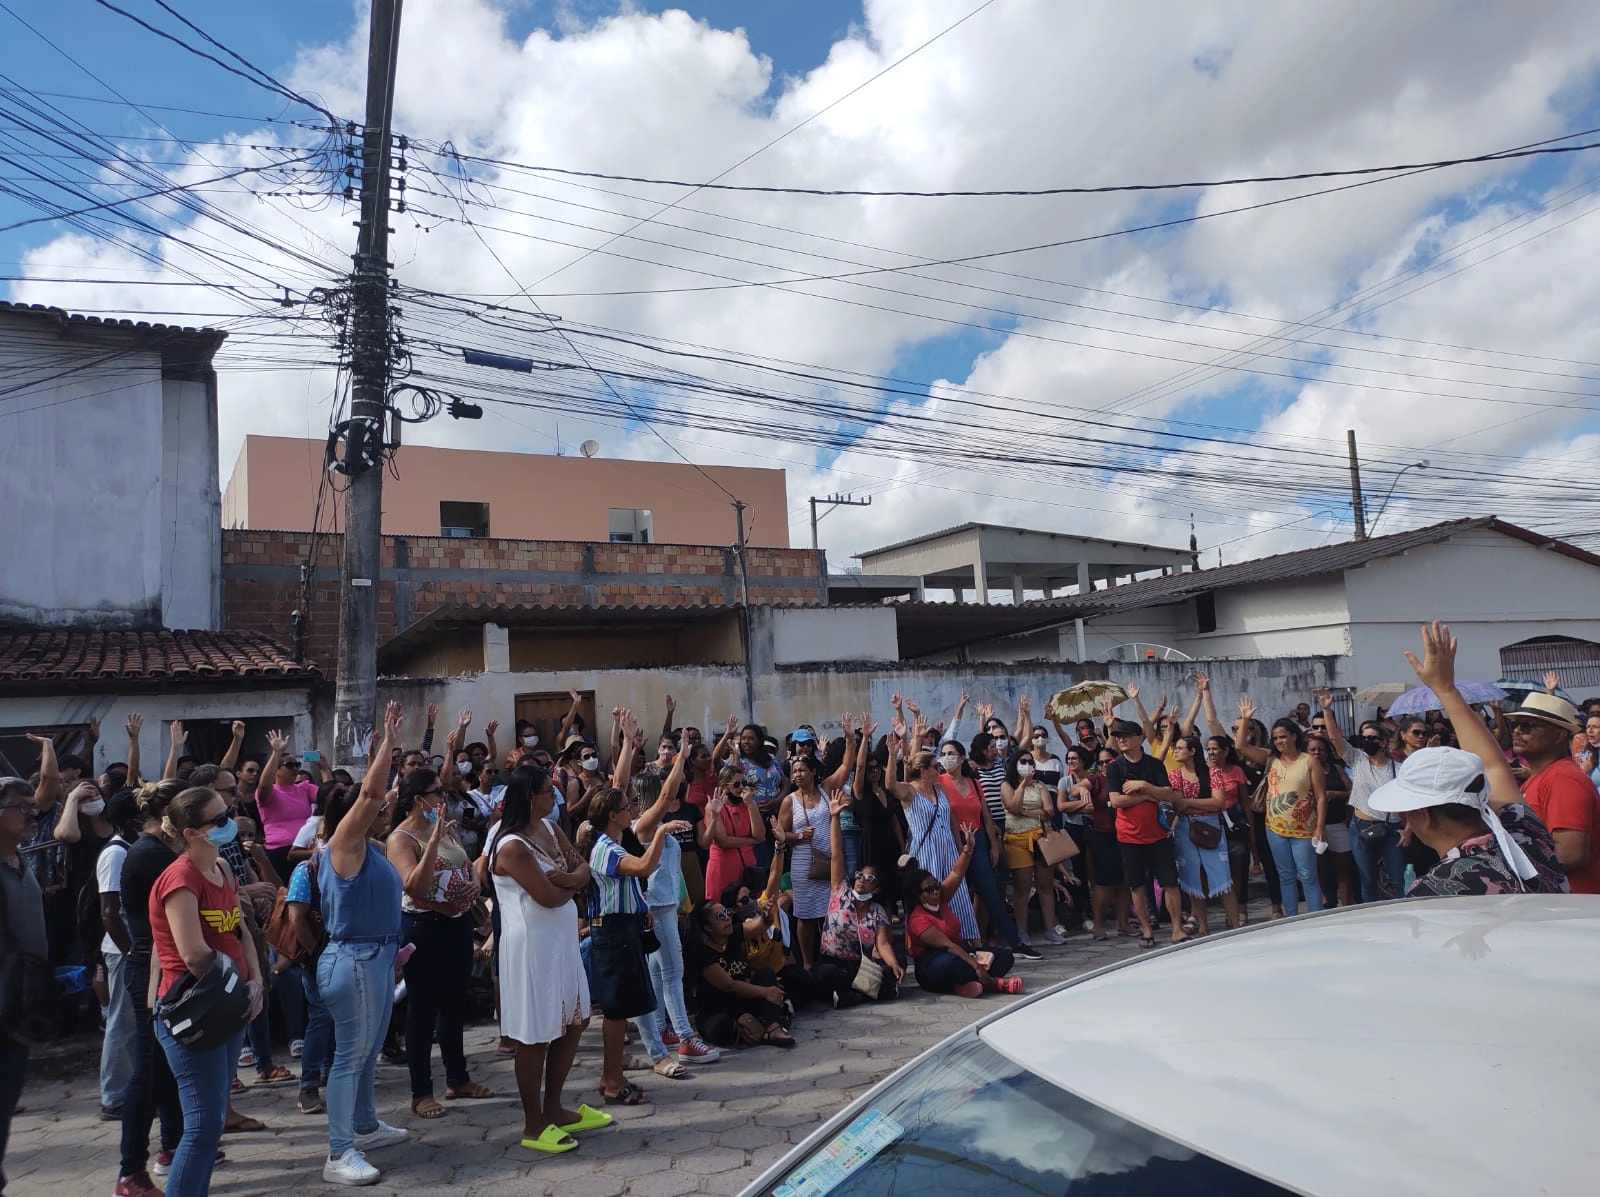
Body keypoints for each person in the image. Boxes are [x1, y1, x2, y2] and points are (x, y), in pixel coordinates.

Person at [1370, 623, 1567, 897]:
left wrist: (1445, 689)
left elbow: (1493, 768)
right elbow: (1494, 766)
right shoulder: (1523, 831)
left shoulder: (1436, 889)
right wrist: (1446, 689)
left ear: (1425, 816)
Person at [149, 786, 265, 1197]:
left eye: (228, 812)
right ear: (192, 832)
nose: (229, 821)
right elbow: (195, 955)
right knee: (200, 1126)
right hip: (194, 1011)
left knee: (213, 1122)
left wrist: (256, 981)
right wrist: (239, 990)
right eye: (219, 818)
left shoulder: (222, 868)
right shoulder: (179, 879)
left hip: (227, 1005)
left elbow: (239, 928)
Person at [487, 764, 606, 1156]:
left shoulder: (552, 830)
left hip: (561, 943)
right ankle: (533, 1122)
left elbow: (581, 867)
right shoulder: (511, 846)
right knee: (535, 1033)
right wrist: (570, 882)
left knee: (575, 1019)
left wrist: (570, 879)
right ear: (528, 796)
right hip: (531, 947)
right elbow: (546, 896)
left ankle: (554, 1106)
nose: (555, 797)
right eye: (547, 791)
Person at [317, 703, 409, 1185]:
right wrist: (389, 745)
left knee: (369, 1051)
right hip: (351, 960)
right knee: (351, 1056)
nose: (385, 806)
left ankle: (365, 1126)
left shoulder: (371, 848)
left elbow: (379, 794)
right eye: (377, 805)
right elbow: (373, 792)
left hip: (376, 959)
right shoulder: (342, 845)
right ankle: (338, 1153)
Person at [387, 755, 491, 1121]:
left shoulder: (443, 828)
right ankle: (420, 1091)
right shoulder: (400, 838)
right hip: (423, 927)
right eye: (437, 794)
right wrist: (431, 841)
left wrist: (474, 880)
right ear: (419, 799)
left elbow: (463, 865)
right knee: (423, 1009)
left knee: (453, 1004)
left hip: (457, 924)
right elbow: (413, 884)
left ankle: (457, 1077)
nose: (442, 801)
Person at [584, 787, 687, 1105]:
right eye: (626, 808)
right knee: (615, 1013)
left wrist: (642, 909)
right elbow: (643, 867)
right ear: (613, 816)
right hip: (613, 934)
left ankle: (613, 1074)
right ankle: (612, 1080)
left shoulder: (613, 845)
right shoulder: (606, 849)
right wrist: (662, 832)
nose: (632, 811)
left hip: (624, 930)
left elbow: (630, 883)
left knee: (623, 1007)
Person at [111, 781, 186, 1197]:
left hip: (163, 968)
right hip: (150, 973)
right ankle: (129, 1171)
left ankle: (173, 1147)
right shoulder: (152, 855)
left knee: (168, 1068)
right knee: (148, 1072)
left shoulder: (158, 850)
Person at [633, 735, 719, 1066]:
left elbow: (674, 870)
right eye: (663, 791)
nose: (671, 794)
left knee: (659, 972)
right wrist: (681, 756)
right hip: (656, 907)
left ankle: (661, 1027)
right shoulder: (644, 826)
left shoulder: (659, 826)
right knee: (673, 971)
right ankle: (685, 1038)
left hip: (666, 905)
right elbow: (669, 791)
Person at [884, 725, 983, 950]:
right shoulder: (909, 791)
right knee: (928, 897)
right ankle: (933, 943)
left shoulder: (940, 789)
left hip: (947, 849)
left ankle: (973, 944)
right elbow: (890, 785)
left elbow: (950, 821)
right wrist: (892, 755)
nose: (939, 769)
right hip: (925, 852)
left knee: (959, 896)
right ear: (923, 770)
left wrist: (961, 850)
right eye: (934, 767)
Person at [811, 790, 904, 1007]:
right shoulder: (841, 890)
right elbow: (837, 854)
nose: (862, 880)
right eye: (860, 875)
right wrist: (834, 817)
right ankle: (860, 993)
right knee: (825, 975)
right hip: (833, 961)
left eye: (869, 878)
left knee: (890, 971)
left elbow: (883, 944)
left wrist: (894, 964)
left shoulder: (877, 912)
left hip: (859, 964)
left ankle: (850, 996)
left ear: (877, 887)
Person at [0, 775, 47, 1197]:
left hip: (19, 1009)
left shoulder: (22, 862)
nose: (33, 813)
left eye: (34, 806)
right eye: (21, 807)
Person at [1235, 701, 1326, 916]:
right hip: (1274, 828)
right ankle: (1291, 918)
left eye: (1283, 736)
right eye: (1275, 738)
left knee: (1308, 875)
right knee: (1285, 875)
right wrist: (1246, 719)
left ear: (1294, 736)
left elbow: (1321, 797)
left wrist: (1320, 828)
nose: (1279, 741)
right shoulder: (1270, 758)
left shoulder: (1309, 762)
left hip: (1304, 829)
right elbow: (1240, 747)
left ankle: (1315, 918)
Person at [904, 830, 1021, 998]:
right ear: (918, 894)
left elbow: (956, 874)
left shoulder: (942, 897)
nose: (936, 891)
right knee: (950, 964)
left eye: (936, 886)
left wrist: (968, 849)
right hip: (933, 964)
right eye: (930, 890)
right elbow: (948, 946)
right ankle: (992, 983)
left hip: (962, 953)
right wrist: (975, 966)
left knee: (1004, 956)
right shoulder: (918, 918)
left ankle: (965, 985)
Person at [1507, 689, 1600, 894]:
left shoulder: (1563, 779)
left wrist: (1506, 858)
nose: (1517, 731)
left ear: (1558, 735)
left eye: (1527, 725)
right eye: (1515, 724)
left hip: (1571, 911)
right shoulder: (1541, 777)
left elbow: (1571, 854)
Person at [935, 739, 1023, 952]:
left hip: (979, 840)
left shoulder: (974, 782)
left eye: (951, 753)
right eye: (944, 753)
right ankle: (963, 943)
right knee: (958, 894)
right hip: (953, 843)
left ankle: (1015, 942)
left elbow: (986, 814)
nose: (947, 758)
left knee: (990, 892)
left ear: (962, 757)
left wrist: (994, 844)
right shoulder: (937, 783)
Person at [1317, 690, 1404, 903]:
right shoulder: (1357, 759)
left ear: (1384, 742)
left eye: (1373, 738)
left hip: (1391, 828)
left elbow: (1409, 801)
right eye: (1364, 738)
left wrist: (1408, 830)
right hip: (1361, 827)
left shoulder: (1399, 768)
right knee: (1367, 879)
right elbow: (1336, 739)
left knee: (1398, 878)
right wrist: (1327, 710)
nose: (1368, 742)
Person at [1105, 718, 1185, 947]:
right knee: (1137, 885)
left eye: (1127, 735)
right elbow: (1117, 800)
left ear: (1140, 738)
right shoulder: (1114, 767)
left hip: (1158, 834)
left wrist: (1146, 786)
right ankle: (1146, 930)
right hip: (1129, 836)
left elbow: (1168, 794)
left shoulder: (1153, 765)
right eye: (1118, 736)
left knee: (1170, 882)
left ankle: (1177, 928)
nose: (1121, 739)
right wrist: (1149, 795)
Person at [686, 900, 796, 1049]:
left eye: (727, 912)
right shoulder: (700, 952)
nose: (727, 918)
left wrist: (766, 915)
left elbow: (762, 925)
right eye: (720, 916)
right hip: (718, 1008)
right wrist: (767, 992)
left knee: (766, 973)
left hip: (743, 1000)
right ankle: (756, 1027)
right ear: (707, 927)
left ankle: (773, 1029)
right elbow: (728, 985)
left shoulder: (733, 934)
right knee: (719, 1027)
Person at [95, 790, 143, 1122]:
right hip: (122, 949)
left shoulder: (131, 849)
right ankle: (113, 1096)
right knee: (121, 1023)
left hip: (133, 948)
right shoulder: (115, 854)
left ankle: (133, 1088)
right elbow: (109, 912)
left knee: (133, 1024)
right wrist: (130, 950)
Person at [1166, 734, 1241, 935]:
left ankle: (1234, 923)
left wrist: (1189, 803)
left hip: (1210, 826)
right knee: (1192, 877)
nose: (1176, 751)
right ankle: (1203, 925)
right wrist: (1199, 805)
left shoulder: (1212, 772)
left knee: (1222, 875)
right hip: (1185, 827)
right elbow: (1177, 805)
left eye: (1181, 747)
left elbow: (1218, 802)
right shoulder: (1174, 775)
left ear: (1192, 751)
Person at [1000, 751, 1065, 946]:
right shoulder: (1006, 785)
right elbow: (1012, 806)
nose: (1028, 765)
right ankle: (1022, 931)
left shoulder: (1040, 785)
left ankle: (1050, 928)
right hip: (1016, 839)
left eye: (1030, 762)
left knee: (1045, 885)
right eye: (1023, 761)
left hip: (1040, 838)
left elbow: (1049, 811)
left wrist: (1026, 812)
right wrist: (1021, 785)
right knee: (1023, 887)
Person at [1065, 744, 1130, 939]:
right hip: (1103, 834)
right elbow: (1078, 787)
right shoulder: (1097, 780)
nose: (1104, 765)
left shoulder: (1125, 779)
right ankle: (1099, 925)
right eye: (1100, 762)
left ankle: (1123, 923)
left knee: (1125, 881)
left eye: (1107, 761)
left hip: (1126, 834)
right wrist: (1083, 789)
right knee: (1104, 883)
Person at [774, 754, 831, 972]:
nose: (797, 775)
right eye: (794, 771)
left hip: (827, 860)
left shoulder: (825, 791)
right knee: (806, 915)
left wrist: (854, 740)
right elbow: (779, 834)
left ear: (813, 771)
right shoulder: (790, 800)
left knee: (827, 913)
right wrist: (799, 836)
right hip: (802, 862)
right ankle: (807, 962)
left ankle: (827, 955)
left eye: (802, 770)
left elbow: (847, 767)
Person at [702, 767, 763, 902]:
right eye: (736, 784)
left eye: (744, 783)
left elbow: (760, 836)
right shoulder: (713, 807)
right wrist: (751, 841)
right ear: (725, 787)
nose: (741, 787)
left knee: (750, 908)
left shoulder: (749, 804)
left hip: (748, 867)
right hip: (723, 867)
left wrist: (751, 805)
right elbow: (724, 842)